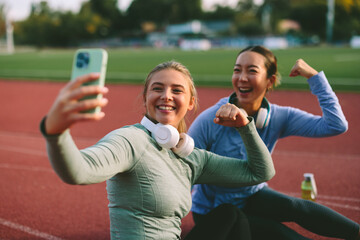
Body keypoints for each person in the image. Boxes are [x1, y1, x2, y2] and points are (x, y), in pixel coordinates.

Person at [40, 60, 275, 240]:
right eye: (158, 89)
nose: (166, 96)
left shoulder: (191, 156)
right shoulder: (131, 140)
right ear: (145, 98)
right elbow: (80, 170)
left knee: (230, 216)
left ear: (191, 102)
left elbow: (259, 172)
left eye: (177, 90)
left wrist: (246, 127)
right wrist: (56, 132)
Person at [188, 46, 360, 240]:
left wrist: (314, 77)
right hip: (215, 210)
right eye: (237, 70)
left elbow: (336, 125)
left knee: (296, 206)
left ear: (270, 80)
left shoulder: (278, 116)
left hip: (253, 195)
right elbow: (185, 169)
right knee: (282, 234)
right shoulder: (211, 119)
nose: (242, 77)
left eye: (251, 70)